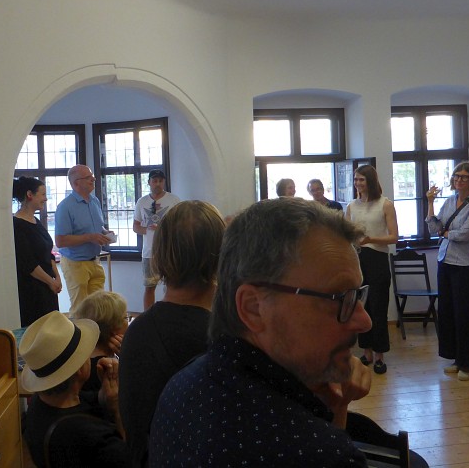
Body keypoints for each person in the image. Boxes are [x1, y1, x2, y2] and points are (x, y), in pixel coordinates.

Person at [149, 198, 372, 467]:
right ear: (253, 308)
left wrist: (337, 406)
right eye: (340, 298)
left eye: (357, 295)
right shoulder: (315, 453)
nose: (364, 321)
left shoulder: (181, 387)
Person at [120, 200, 225, 468]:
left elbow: (135, 431)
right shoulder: (225, 339)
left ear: (159, 255)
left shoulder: (137, 332)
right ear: (221, 257)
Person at [20, 311, 128, 468]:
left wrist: (105, 396)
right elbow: (131, 459)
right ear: (79, 369)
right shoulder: (91, 436)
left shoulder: (38, 403)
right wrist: (117, 411)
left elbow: (85, 400)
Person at [426, 161, 469, 381]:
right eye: (456, 176)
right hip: (446, 261)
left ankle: (468, 363)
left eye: (464, 177)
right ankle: (456, 358)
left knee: (466, 314)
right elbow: (433, 228)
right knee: (449, 312)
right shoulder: (450, 201)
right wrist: (430, 203)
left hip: (467, 265)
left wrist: (445, 233)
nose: (458, 180)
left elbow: (465, 234)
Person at [345, 165, 399, 375]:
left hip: (377, 258)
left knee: (378, 307)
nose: (358, 183)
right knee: (361, 307)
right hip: (357, 259)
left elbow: (394, 237)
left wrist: (370, 240)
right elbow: (347, 234)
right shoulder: (351, 206)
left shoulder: (385, 204)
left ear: (371, 181)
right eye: (356, 179)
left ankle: (379, 355)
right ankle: (366, 352)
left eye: (362, 180)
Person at [55, 165, 112, 310]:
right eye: (88, 177)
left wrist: (105, 233)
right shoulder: (65, 207)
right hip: (75, 263)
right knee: (80, 308)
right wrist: (90, 237)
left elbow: (98, 227)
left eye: (92, 176)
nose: (93, 179)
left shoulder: (94, 201)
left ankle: (95, 327)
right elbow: (60, 241)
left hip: (95, 261)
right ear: (76, 183)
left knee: (98, 307)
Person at [13, 176, 62, 326]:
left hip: (48, 286)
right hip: (33, 289)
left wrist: (57, 277)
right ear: (30, 195)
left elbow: (48, 253)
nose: (46, 199)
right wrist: (50, 281)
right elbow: (28, 263)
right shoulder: (17, 225)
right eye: (43, 194)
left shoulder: (36, 221)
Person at [132, 169, 181, 310]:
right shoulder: (142, 202)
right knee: (149, 286)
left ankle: (170, 314)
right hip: (149, 252)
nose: (158, 184)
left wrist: (163, 229)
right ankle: (148, 317)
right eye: (154, 181)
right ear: (149, 182)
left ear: (164, 182)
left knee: (172, 286)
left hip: (169, 251)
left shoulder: (174, 200)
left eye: (160, 181)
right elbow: (136, 227)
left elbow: (180, 224)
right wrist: (148, 230)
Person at [71, 290, 129, 395]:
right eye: (126, 318)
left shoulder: (82, 361)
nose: (128, 323)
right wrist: (128, 358)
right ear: (113, 327)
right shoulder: (109, 369)